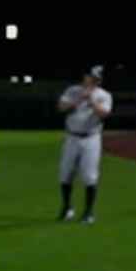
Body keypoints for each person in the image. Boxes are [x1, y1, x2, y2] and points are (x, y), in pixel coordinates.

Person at [55, 67, 112, 224]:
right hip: (71, 137)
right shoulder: (73, 90)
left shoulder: (104, 95)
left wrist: (91, 100)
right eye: (91, 77)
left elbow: (104, 114)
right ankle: (67, 208)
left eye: (96, 78)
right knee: (65, 173)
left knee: (89, 176)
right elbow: (61, 107)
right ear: (85, 77)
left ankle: (88, 212)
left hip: (91, 139)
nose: (93, 80)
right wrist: (80, 98)